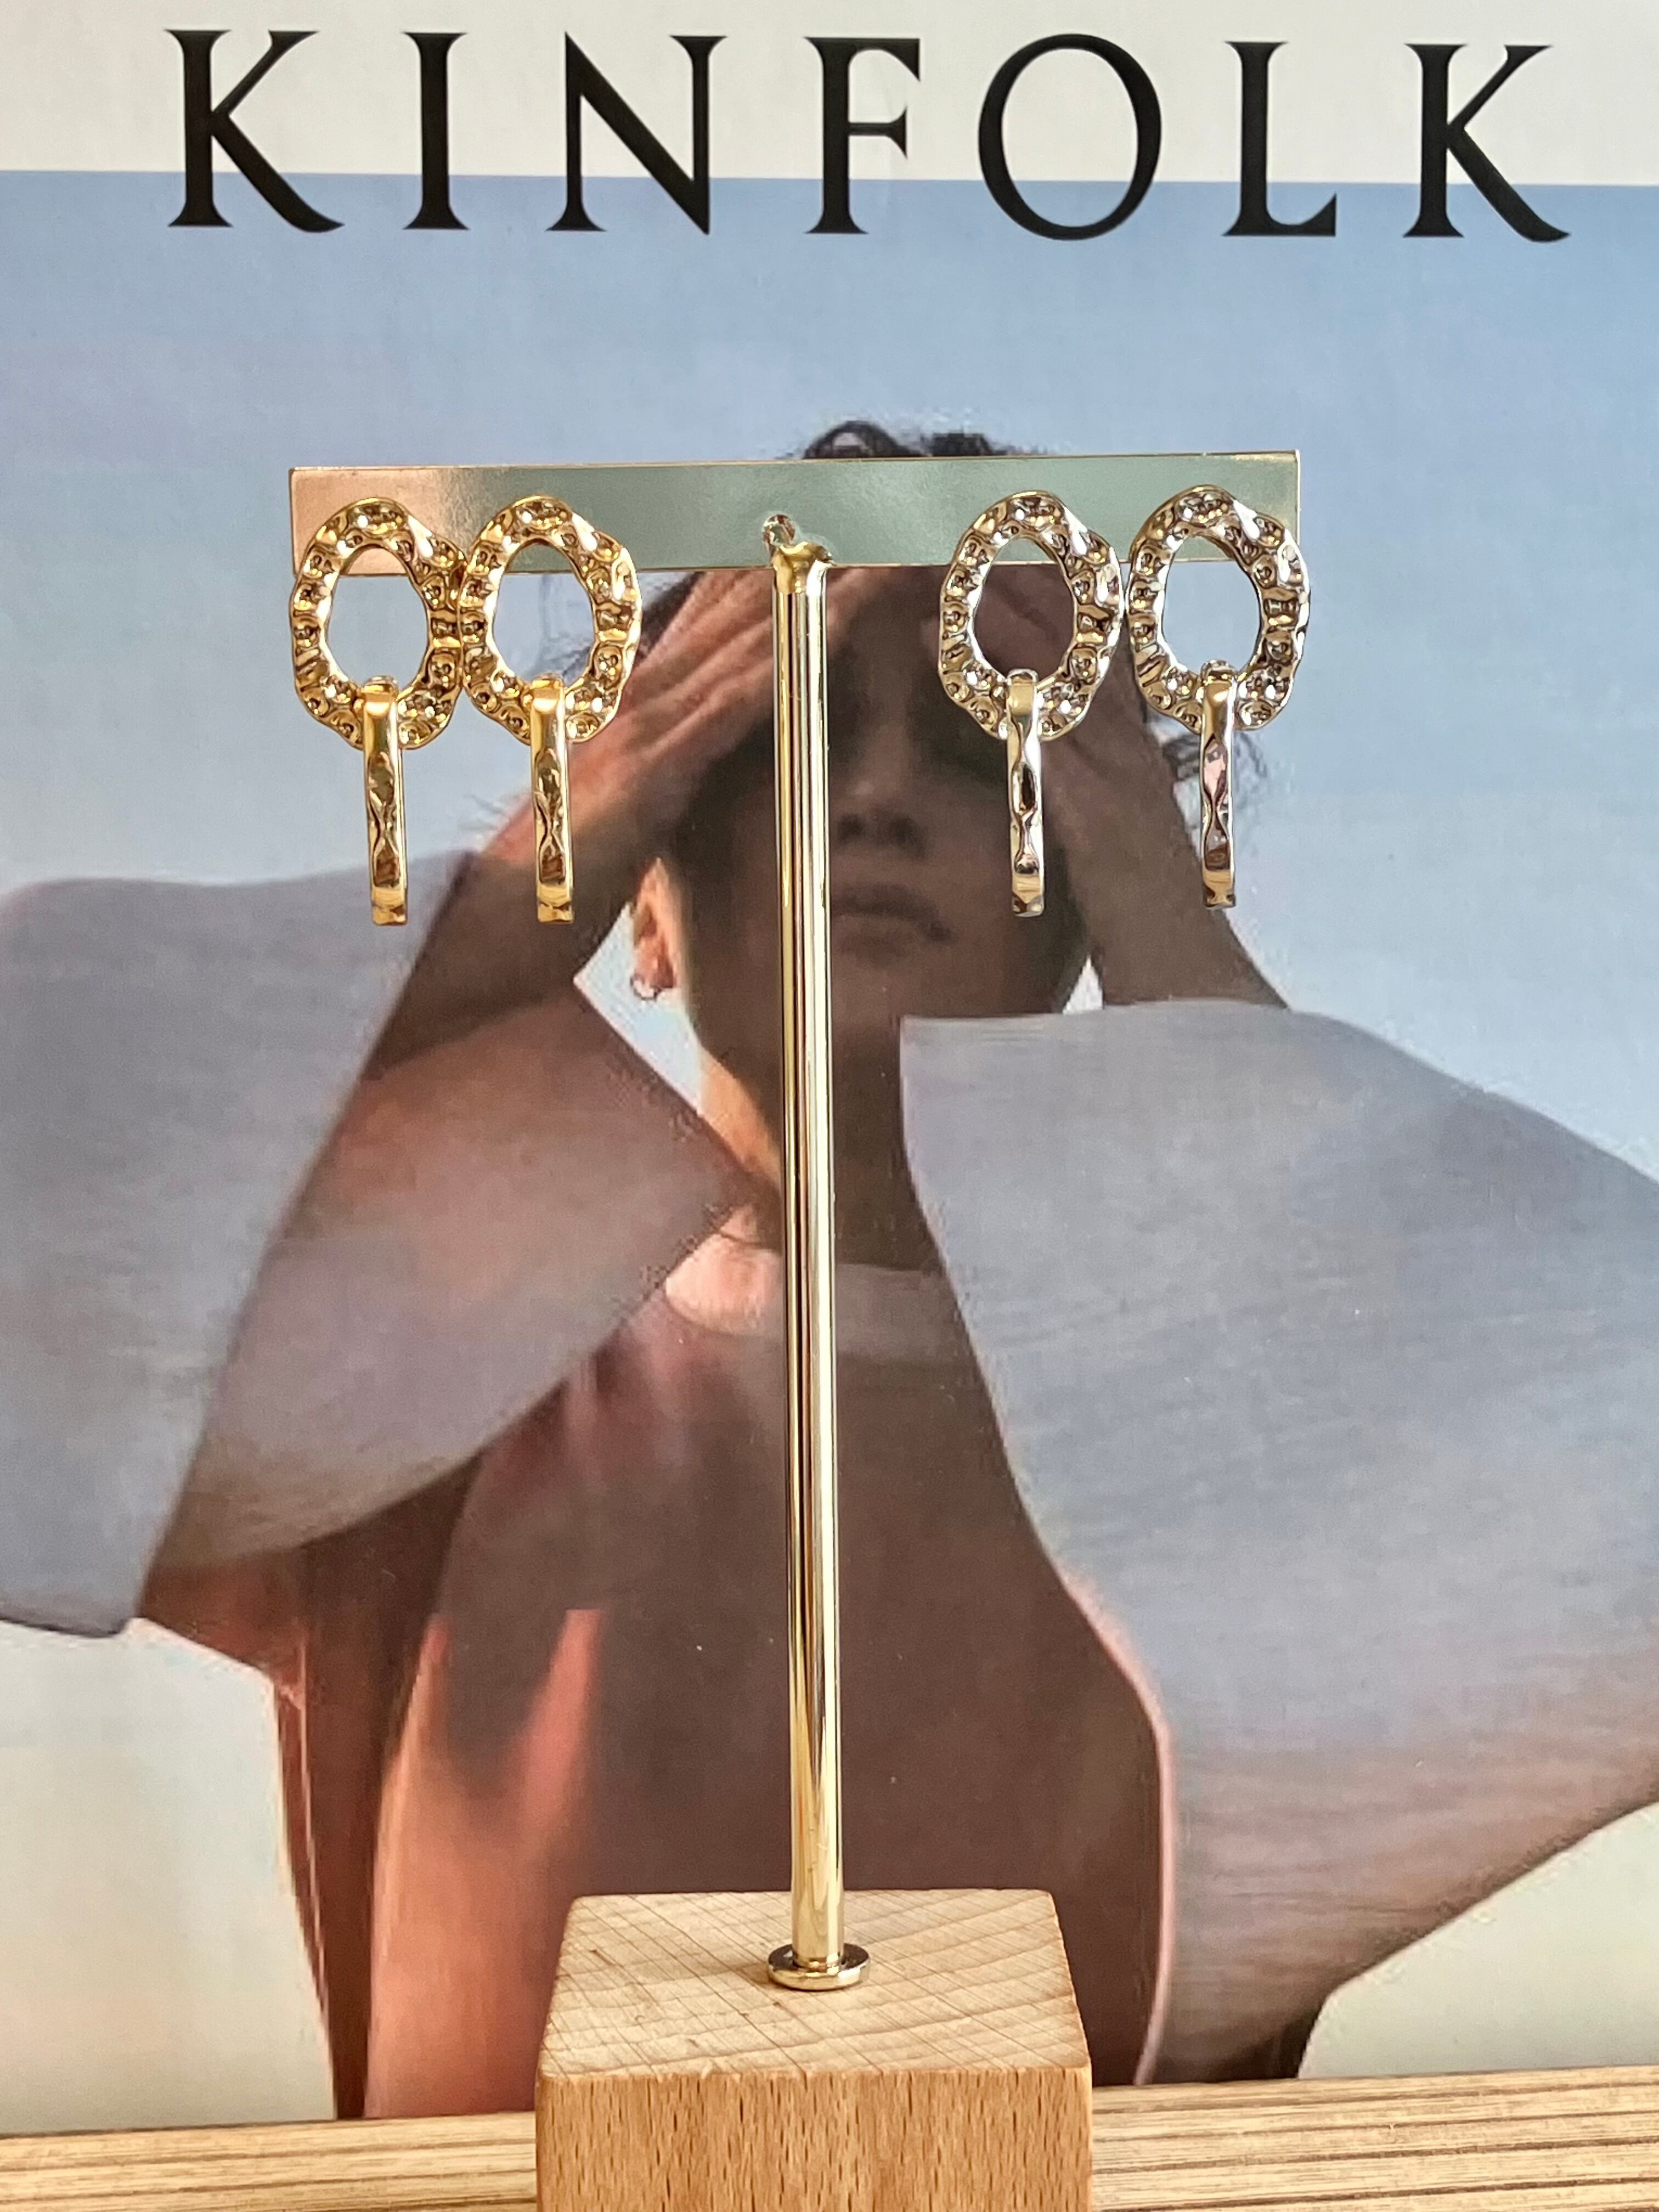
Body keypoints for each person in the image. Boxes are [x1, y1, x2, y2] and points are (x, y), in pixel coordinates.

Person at [2, 424, 1656, 2121]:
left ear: (1081, 874)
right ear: (642, 895)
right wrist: (493, 918)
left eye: (982, 742)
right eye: (761, 742)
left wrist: (1188, 973)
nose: (866, 799)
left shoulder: (1255, 1451)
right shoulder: (425, 1386)